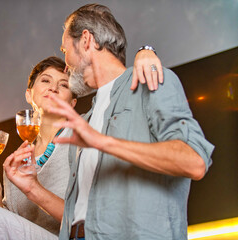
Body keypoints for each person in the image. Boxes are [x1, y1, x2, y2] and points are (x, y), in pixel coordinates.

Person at [36, 4, 214, 240]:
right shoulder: (84, 121)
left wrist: (103, 142)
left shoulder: (152, 79)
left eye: (64, 49)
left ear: (86, 41)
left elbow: (194, 161)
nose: (65, 63)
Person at [0, 51, 164, 239]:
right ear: (29, 94)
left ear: (72, 102)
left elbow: (97, 218)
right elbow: (7, 228)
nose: (53, 88)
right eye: (45, 81)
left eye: (63, 85)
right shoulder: (16, 162)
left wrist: (145, 53)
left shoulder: (87, 134)